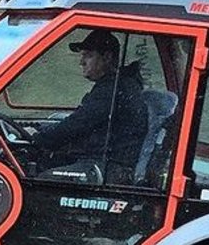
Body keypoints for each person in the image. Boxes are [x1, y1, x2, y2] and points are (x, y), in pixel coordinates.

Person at [33, 28, 147, 184]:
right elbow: (80, 121)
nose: (82, 62)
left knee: (41, 182)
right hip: (103, 160)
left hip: (110, 167)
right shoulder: (115, 84)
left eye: (88, 55)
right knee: (44, 163)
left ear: (107, 57)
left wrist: (38, 138)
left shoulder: (113, 90)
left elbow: (78, 123)